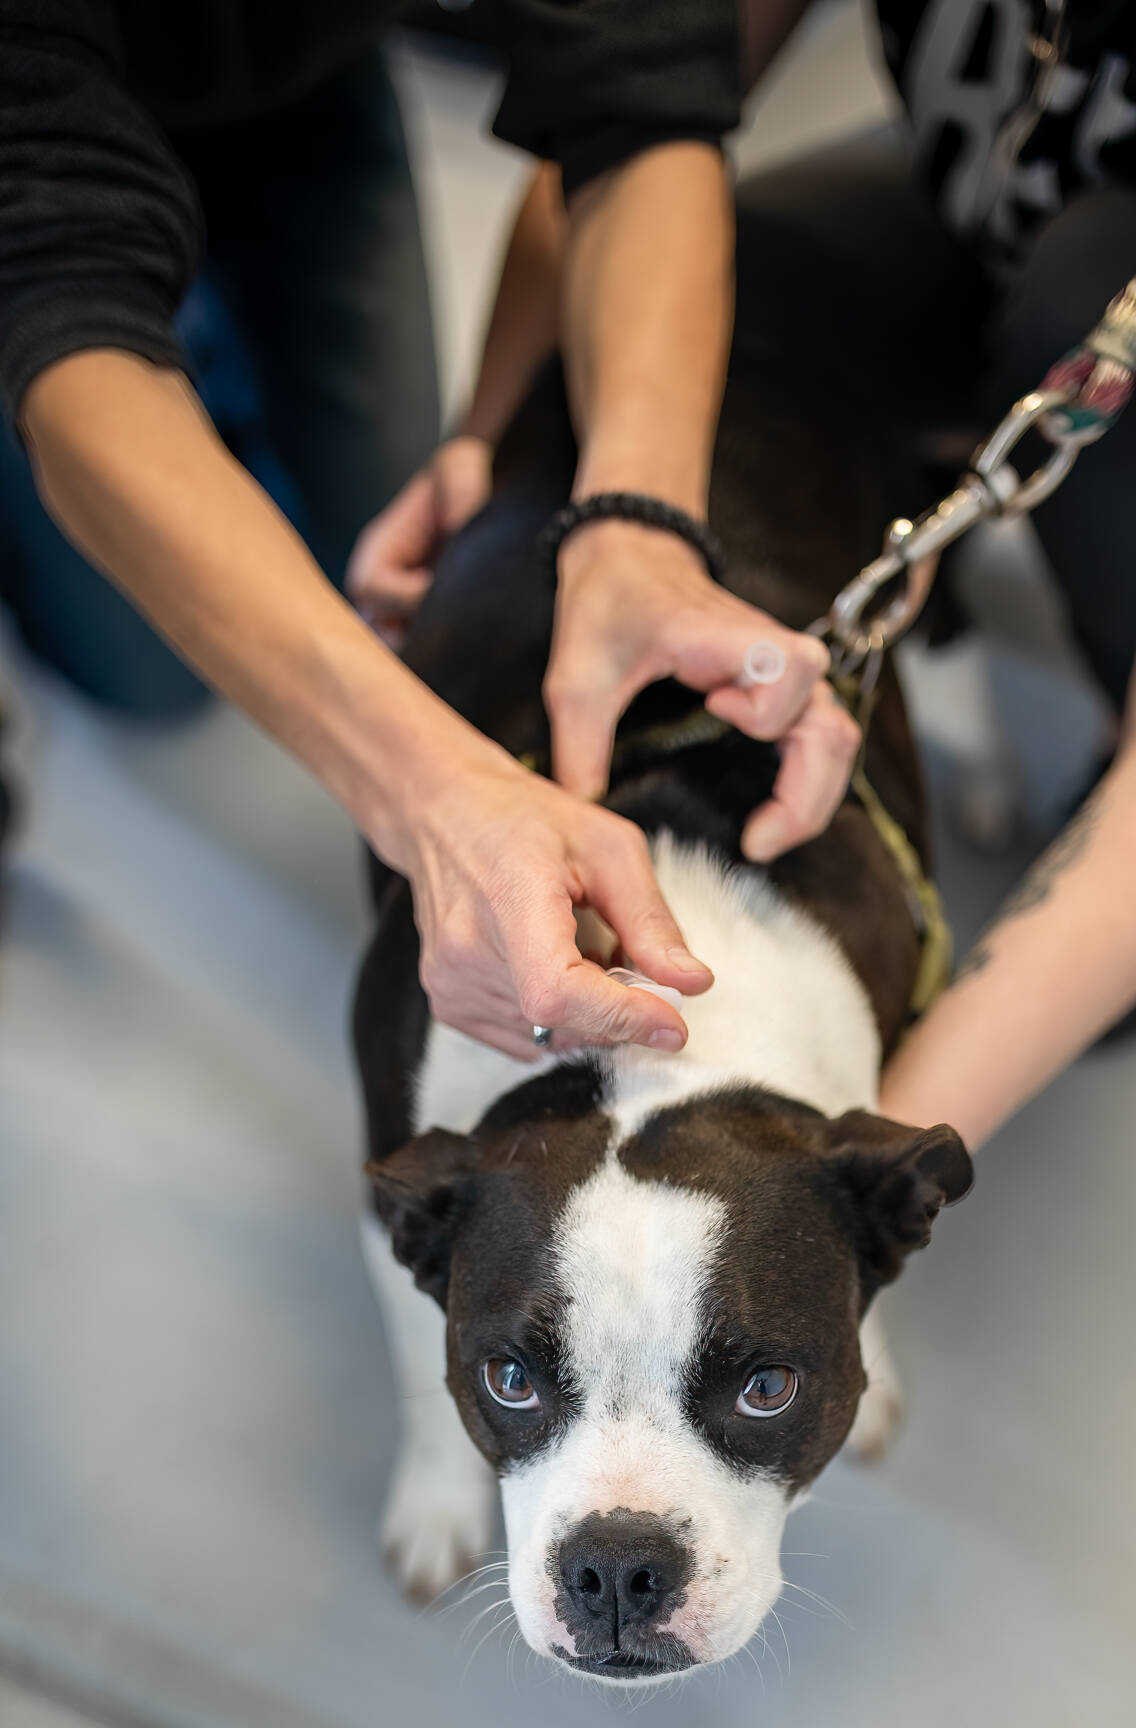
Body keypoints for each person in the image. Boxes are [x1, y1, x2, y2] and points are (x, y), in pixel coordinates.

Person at [422, 0, 1136, 1149]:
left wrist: (875, 1149)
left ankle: (1116, 768)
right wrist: (485, 435)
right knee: (694, 276)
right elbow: (624, 125)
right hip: (971, 210)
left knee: (1089, 282)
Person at [0, 1, 856, 1061]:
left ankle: (198, 326)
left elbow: (641, 102)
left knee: (365, 528)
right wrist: (428, 793)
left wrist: (637, 526)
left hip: (290, 67)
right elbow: (64, 307)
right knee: (148, 672)